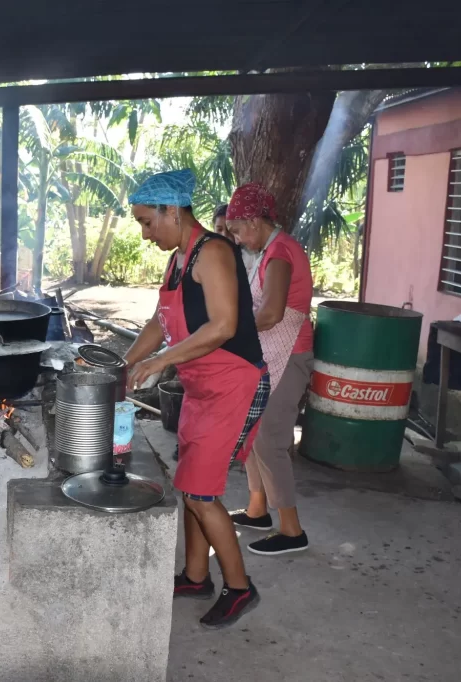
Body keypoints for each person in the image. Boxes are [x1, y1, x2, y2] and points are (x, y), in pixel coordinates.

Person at [124, 170, 269, 629]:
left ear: (173, 211)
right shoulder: (178, 259)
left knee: (203, 494)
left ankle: (241, 588)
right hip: (202, 387)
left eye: (148, 223)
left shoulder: (215, 253)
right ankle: (195, 575)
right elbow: (158, 323)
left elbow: (224, 326)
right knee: (189, 482)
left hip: (235, 385)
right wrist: (124, 366)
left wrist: (162, 362)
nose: (146, 235)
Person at [224, 183, 314, 555]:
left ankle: (292, 530)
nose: (239, 240)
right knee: (254, 430)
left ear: (253, 221)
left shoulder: (280, 252)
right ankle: (258, 509)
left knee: (270, 437)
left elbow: (273, 313)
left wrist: (229, 330)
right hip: (271, 350)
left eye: (237, 231)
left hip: (290, 353)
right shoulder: (269, 250)